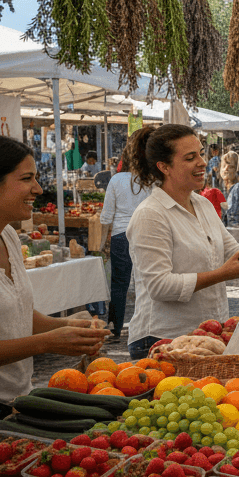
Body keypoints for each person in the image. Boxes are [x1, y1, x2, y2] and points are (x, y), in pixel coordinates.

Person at [0, 135, 109, 422]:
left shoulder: (7, 235)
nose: (38, 189)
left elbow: (14, 315)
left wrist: (65, 326)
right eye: (27, 178)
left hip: (13, 400)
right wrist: (45, 343)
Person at [125, 124, 239, 361]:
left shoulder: (202, 204)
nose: (202, 162)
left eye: (201, 154)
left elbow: (233, 252)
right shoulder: (150, 214)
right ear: (164, 167)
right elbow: (159, 286)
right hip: (162, 340)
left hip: (206, 335)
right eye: (190, 158)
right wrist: (222, 274)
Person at [99, 142, 150, 337]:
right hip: (145, 234)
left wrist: (102, 244)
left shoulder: (116, 180)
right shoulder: (152, 181)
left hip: (120, 235)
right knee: (146, 283)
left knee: (119, 284)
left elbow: (106, 217)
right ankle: (145, 327)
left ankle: (115, 327)